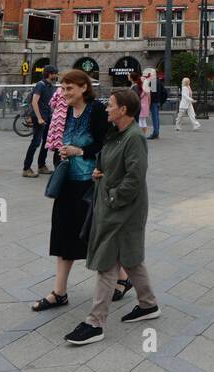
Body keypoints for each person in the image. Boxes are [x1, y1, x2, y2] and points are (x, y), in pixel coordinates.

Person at [63, 87, 160, 345]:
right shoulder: (115, 135)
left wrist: (113, 197)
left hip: (124, 208)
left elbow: (135, 178)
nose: (107, 109)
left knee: (107, 261)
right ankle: (149, 304)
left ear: (124, 110)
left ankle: (95, 323)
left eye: (111, 105)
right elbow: (109, 164)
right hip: (114, 204)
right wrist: (99, 173)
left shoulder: (134, 137)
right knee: (130, 259)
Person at [31, 70, 109, 315]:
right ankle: (59, 292)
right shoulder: (62, 112)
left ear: (84, 88)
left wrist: (80, 152)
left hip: (90, 183)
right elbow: (57, 141)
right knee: (64, 235)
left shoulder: (96, 111)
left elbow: (104, 145)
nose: (64, 93)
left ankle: (125, 277)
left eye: (69, 89)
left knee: (94, 236)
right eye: (62, 89)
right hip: (67, 183)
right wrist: (61, 153)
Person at [23, 66, 58, 177]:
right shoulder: (41, 85)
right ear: (50, 74)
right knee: (35, 142)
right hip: (40, 117)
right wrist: (39, 118)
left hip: (47, 117)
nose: (56, 76)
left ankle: (41, 166)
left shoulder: (50, 86)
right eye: (55, 74)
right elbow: (34, 102)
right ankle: (26, 168)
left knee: (46, 143)